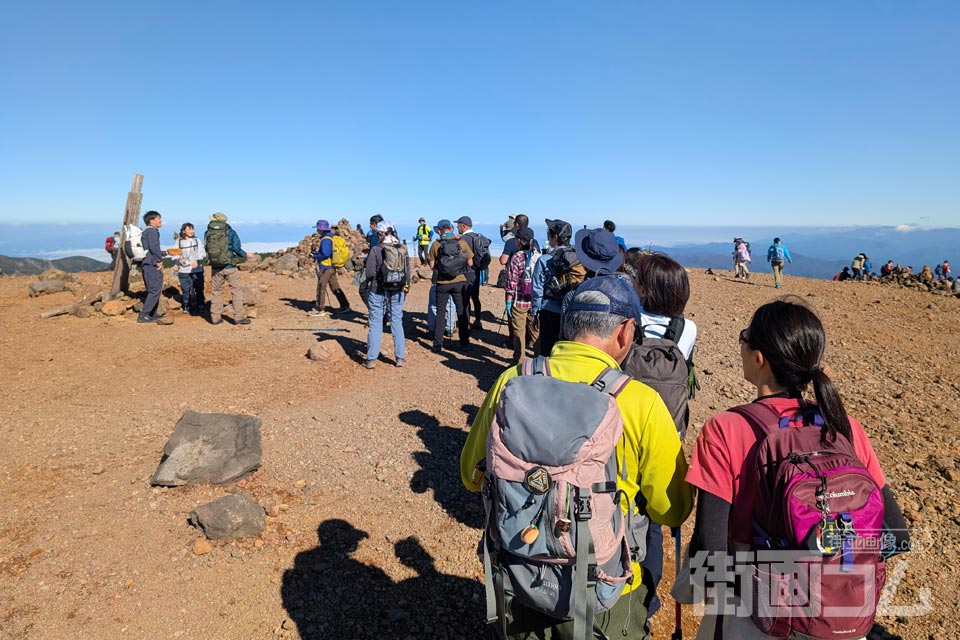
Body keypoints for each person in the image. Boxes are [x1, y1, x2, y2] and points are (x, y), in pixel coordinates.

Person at [460, 276, 693, 639]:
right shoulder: (641, 402)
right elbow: (672, 509)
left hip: (520, 571)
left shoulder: (512, 381)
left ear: (567, 325)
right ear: (625, 332)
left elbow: (471, 475)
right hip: (605, 589)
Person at [682, 299, 909, 639]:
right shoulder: (844, 427)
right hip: (841, 616)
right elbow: (897, 537)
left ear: (759, 358)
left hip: (758, 617)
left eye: (745, 337)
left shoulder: (726, 428)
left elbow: (709, 554)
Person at [620, 251, 698, 624]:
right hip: (667, 431)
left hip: (624, 426)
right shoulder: (687, 330)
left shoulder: (625, 323)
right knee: (652, 521)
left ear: (644, 288)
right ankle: (648, 601)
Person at [363, 221, 409, 369]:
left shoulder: (376, 249)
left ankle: (371, 359)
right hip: (398, 289)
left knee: (376, 322)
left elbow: (370, 272)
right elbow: (407, 272)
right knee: (396, 321)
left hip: (377, 290)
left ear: (381, 233)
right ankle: (400, 358)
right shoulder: (402, 248)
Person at [428, 219, 473, 353]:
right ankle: (464, 343)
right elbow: (470, 263)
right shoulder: (461, 242)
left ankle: (438, 343)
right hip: (459, 281)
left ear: (440, 231)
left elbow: (431, 266)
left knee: (441, 312)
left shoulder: (436, 244)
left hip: (442, 282)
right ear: (452, 229)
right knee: (461, 312)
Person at [531, 218, 575, 356]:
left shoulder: (545, 260)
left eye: (548, 233)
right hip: (570, 311)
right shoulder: (577, 258)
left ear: (555, 237)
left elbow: (537, 289)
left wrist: (534, 312)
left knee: (547, 350)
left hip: (549, 310)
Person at [205, 212, 250, 325]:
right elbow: (237, 248)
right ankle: (238, 317)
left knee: (216, 291)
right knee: (236, 291)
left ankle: (215, 318)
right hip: (230, 266)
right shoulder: (230, 232)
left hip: (215, 267)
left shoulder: (208, 232)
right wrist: (245, 255)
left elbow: (207, 248)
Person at [503, 227, 541, 361]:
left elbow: (511, 282)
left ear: (519, 240)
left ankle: (519, 362)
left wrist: (508, 301)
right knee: (536, 332)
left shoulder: (517, 257)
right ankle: (538, 362)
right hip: (535, 300)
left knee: (519, 333)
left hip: (519, 300)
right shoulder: (539, 256)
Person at [310, 219, 351, 318]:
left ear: (321, 229)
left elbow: (326, 254)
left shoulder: (325, 240)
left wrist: (315, 256)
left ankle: (320, 309)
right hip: (332, 266)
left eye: (318, 229)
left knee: (321, 286)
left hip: (326, 266)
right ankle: (345, 305)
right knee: (335, 286)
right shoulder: (333, 237)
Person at [455, 216, 487, 330]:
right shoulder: (478, 236)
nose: (457, 227)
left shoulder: (463, 239)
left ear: (463, 226)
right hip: (477, 270)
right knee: (475, 297)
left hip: (466, 271)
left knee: (465, 298)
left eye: (458, 225)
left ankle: (466, 323)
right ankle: (478, 320)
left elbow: (461, 257)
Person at [137, 211, 167, 324]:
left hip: (147, 263)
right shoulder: (152, 231)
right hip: (151, 264)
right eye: (158, 218)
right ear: (152, 220)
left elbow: (150, 248)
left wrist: (163, 253)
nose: (160, 220)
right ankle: (144, 315)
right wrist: (159, 260)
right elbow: (154, 247)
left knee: (152, 289)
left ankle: (152, 314)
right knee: (155, 289)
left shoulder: (146, 231)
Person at [174, 222, 205, 315]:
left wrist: (198, 262)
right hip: (183, 269)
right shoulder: (179, 242)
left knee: (199, 288)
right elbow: (175, 254)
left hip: (197, 269)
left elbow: (201, 253)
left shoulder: (197, 241)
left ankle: (201, 305)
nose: (191, 231)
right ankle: (186, 306)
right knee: (185, 289)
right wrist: (177, 263)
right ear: (184, 231)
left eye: (192, 229)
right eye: (189, 229)